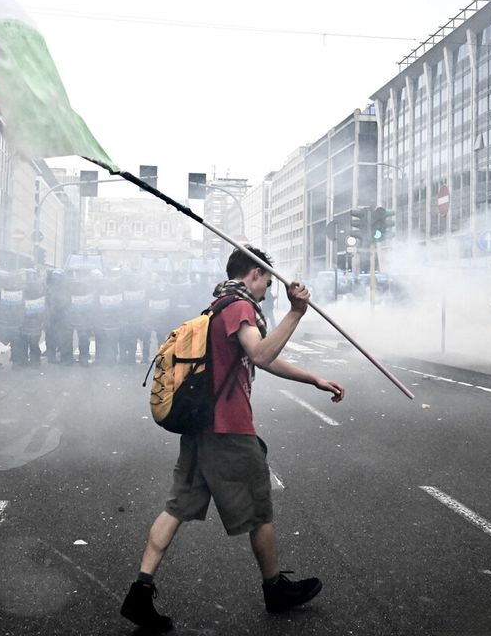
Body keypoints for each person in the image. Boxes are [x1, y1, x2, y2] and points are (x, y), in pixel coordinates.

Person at [120, 245, 345, 632]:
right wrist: (296, 312)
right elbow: (260, 355)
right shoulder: (240, 307)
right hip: (229, 428)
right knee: (259, 508)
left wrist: (313, 379)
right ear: (255, 274)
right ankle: (275, 589)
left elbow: (264, 358)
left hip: (201, 427)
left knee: (176, 508)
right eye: (268, 284)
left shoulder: (218, 306)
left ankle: (139, 593)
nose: (267, 293)